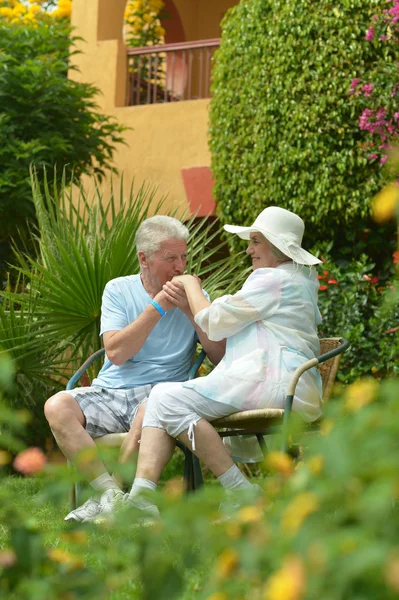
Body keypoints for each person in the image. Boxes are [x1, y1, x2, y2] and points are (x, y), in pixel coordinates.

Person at [92, 205, 324, 522]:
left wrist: (190, 285)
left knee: (163, 397)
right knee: (163, 400)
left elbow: (214, 320)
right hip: (276, 379)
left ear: (277, 246)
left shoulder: (272, 279)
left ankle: (238, 491)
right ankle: (141, 498)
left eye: (256, 241)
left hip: (271, 380)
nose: (249, 249)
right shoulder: (294, 279)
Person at [44, 215, 226, 523]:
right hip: (111, 391)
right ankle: (110, 495)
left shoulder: (197, 298)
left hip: (162, 395)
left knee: (154, 403)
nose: (181, 267)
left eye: (184, 256)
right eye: (171, 258)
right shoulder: (117, 290)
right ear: (144, 258)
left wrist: (189, 308)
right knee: (56, 405)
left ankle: (115, 499)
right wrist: (158, 307)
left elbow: (220, 355)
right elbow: (115, 352)